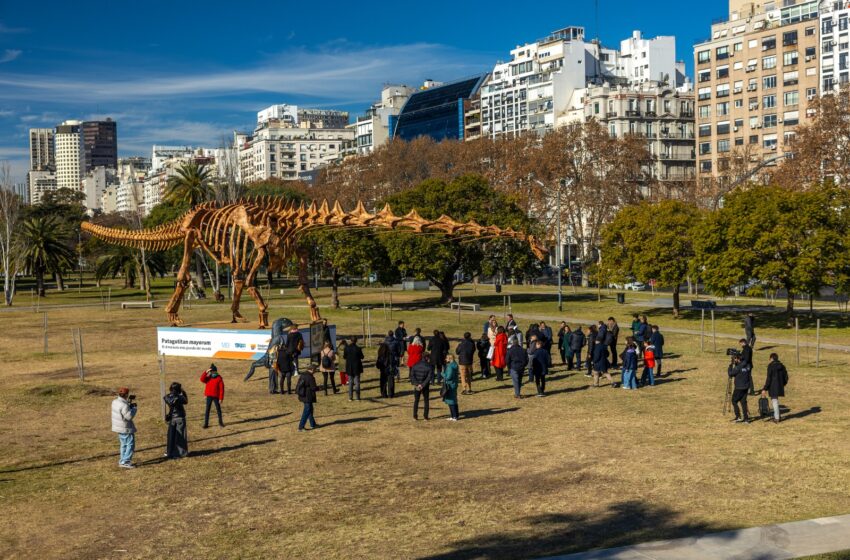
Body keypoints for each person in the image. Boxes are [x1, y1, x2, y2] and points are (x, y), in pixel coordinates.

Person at [111, 387, 137, 468]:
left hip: (118, 427)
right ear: (126, 395)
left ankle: (122, 460)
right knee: (130, 444)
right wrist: (134, 409)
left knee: (123, 444)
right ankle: (125, 461)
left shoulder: (115, 401)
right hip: (125, 428)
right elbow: (129, 417)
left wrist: (128, 405)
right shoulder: (124, 405)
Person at [762, 353, 789, 423]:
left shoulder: (771, 366)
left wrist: (765, 388)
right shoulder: (782, 366)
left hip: (773, 386)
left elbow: (769, 378)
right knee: (775, 401)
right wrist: (782, 384)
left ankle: (777, 418)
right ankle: (778, 416)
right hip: (779, 386)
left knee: (774, 401)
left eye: (769, 358)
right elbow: (786, 377)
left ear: (771, 358)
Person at [164, 382, 188, 459]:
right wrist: (183, 392)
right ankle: (180, 453)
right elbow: (186, 401)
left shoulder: (167, 397)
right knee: (180, 436)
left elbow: (170, 402)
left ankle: (169, 452)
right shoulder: (179, 397)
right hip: (180, 417)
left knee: (171, 436)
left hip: (172, 417)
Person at [728, 354, 753, 423]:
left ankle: (738, 416)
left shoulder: (738, 367)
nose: (735, 360)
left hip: (739, 387)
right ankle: (746, 418)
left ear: (738, 359)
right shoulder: (748, 366)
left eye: (735, 359)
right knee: (743, 402)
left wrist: (730, 366)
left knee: (734, 401)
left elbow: (730, 373)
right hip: (746, 387)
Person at [410, 353, 434, 420]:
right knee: (426, 401)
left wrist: (417, 384)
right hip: (425, 386)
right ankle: (425, 416)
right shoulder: (429, 366)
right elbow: (429, 377)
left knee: (416, 401)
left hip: (417, 385)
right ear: (426, 358)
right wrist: (422, 385)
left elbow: (412, 375)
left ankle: (415, 416)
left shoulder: (415, 365)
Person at [200, 364, 225, 428]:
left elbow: (222, 389)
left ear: (216, 371)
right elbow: (202, 379)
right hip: (209, 396)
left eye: (212, 371)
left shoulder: (219, 378)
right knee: (207, 410)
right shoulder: (208, 377)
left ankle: (220, 422)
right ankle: (206, 424)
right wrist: (206, 372)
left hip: (216, 397)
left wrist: (221, 398)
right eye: (211, 371)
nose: (211, 373)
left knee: (218, 410)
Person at [295, 366, 319, 431]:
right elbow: (313, 387)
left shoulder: (303, 375)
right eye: (315, 370)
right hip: (308, 395)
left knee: (310, 409)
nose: (315, 371)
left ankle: (312, 424)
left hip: (303, 395)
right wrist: (319, 388)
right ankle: (301, 427)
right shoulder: (310, 377)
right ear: (311, 369)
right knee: (307, 411)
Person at [344, 336, 364, 401]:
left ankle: (350, 397)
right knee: (357, 382)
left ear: (350, 340)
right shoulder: (358, 348)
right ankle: (358, 397)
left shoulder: (347, 348)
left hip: (349, 367)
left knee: (350, 383)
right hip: (357, 367)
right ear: (356, 341)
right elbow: (362, 357)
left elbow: (344, 356)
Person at [442, 355, 460, 421]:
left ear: (450, 359)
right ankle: (456, 415)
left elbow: (448, 377)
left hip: (450, 385)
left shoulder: (450, 366)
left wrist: (442, 374)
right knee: (454, 400)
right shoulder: (455, 364)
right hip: (454, 384)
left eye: (446, 358)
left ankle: (454, 416)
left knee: (451, 401)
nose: (445, 359)